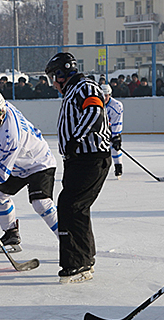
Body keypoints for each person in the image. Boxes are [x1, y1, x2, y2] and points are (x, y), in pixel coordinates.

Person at [45, 52, 111, 284]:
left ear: (62, 74)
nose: (53, 83)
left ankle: (77, 263)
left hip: (90, 158)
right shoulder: (73, 90)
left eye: (54, 77)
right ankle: (84, 258)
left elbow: (95, 112)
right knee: (75, 207)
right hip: (80, 160)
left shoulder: (84, 86)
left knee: (70, 205)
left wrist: (75, 139)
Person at [0, 92, 59, 254]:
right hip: (19, 163)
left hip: (38, 162)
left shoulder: (10, 136)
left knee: (41, 203)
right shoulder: (1, 109)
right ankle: (11, 234)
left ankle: (68, 240)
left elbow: (0, 174)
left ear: (1, 112)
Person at [101, 84, 123, 177]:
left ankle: (118, 166)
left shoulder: (116, 106)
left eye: (106, 95)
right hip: (100, 129)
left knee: (115, 148)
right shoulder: (95, 104)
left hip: (112, 128)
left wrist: (115, 136)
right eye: (102, 95)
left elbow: (117, 122)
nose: (104, 98)